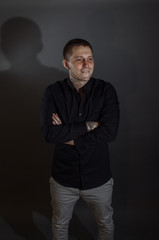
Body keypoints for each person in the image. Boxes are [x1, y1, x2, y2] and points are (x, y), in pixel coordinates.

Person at [40, 38, 119, 240]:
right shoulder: (53, 92)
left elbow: (110, 132)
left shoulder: (106, 91)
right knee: (59, 224)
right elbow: (49, 134)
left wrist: (65, 132)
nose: (86, 64)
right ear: (66, 64)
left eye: (90, 58)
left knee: (106, 223)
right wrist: (89, 126)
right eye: (79, 59)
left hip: (98, 177)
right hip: (63, 179)